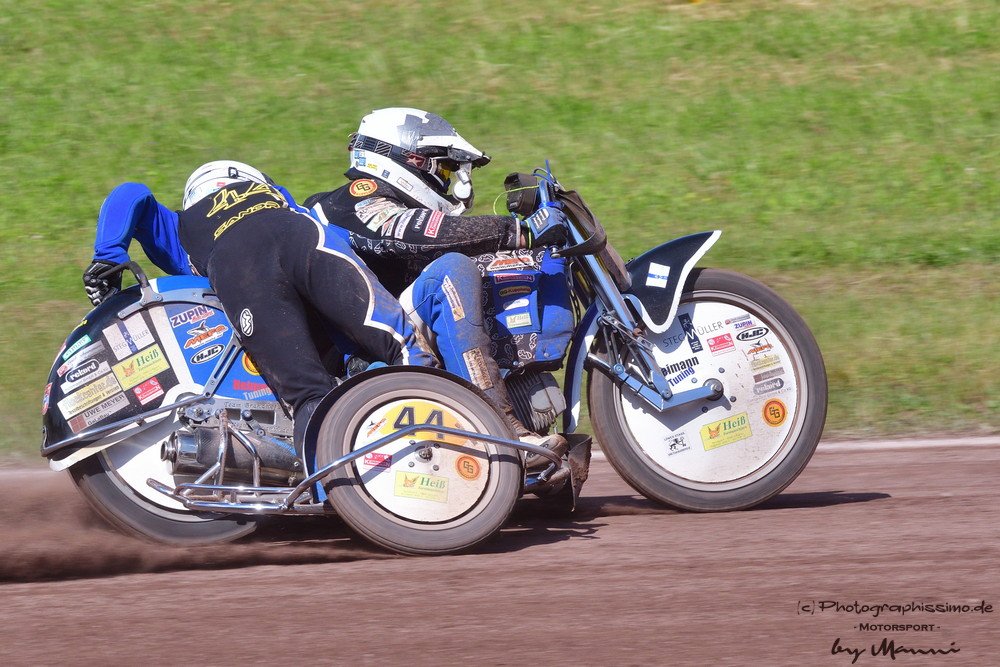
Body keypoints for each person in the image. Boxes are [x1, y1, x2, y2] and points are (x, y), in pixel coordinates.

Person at [83, 161, 437, 448]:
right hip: (303, 235)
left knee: (308, 397)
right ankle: (442, 429)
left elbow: (131, 193)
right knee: (399, 345)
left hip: (238, 268)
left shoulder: (179, 226)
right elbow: (344, 242)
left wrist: (108, 255)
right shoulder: (283, 200)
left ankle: (339, 495)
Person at [303, 108, 568, 463]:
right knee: (452, 271)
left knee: (482, 271)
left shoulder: (377, 202)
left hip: (383, 337)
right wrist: (518, 232)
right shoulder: (348, 199)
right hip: (356, 358)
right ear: (407, 160)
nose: (450, 181)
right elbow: (414, 231)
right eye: (443, 168)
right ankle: (499, 430)